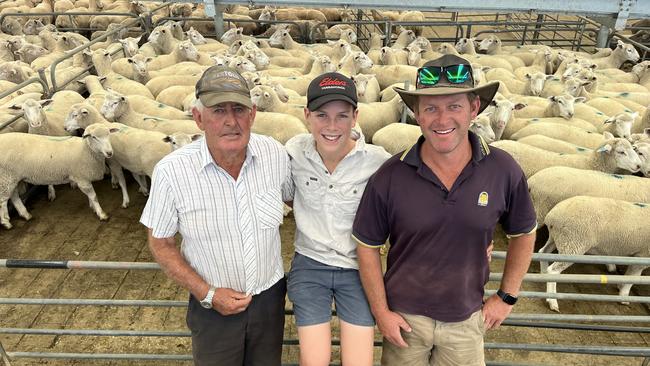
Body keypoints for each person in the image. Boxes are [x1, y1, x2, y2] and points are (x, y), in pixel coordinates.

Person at [352, 54, 537, 366]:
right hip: (405, 322)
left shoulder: (502, 169)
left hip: (465, 321)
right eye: (431, 108)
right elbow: (367, 245)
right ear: (417, 114)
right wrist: (381, 311)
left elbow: (524, 232)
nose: (442, 119)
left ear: (474, 109)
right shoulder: (390, 174)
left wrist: (507, 296)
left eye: (454, 106)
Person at [140, 66, 292, 366]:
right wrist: (206, 293)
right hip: (211, 308)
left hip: (269, 300)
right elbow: (160, 242)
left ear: (253, 114)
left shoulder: (275, 155)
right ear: (199, 118)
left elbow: (299, 198)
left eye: (239, 109)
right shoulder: (172, 172)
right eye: (218, 110)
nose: (230, 121)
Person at [284, 72, 391, 366]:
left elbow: (407, 204)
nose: (331, 126)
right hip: (309, 264)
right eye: (321, 115)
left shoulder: (379, 162)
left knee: (359, 362)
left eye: (342, 116)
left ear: (355, 116)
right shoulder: (293, 153)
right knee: (314, 360)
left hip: (358, 269)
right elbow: (285, 194)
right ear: (307, 115)